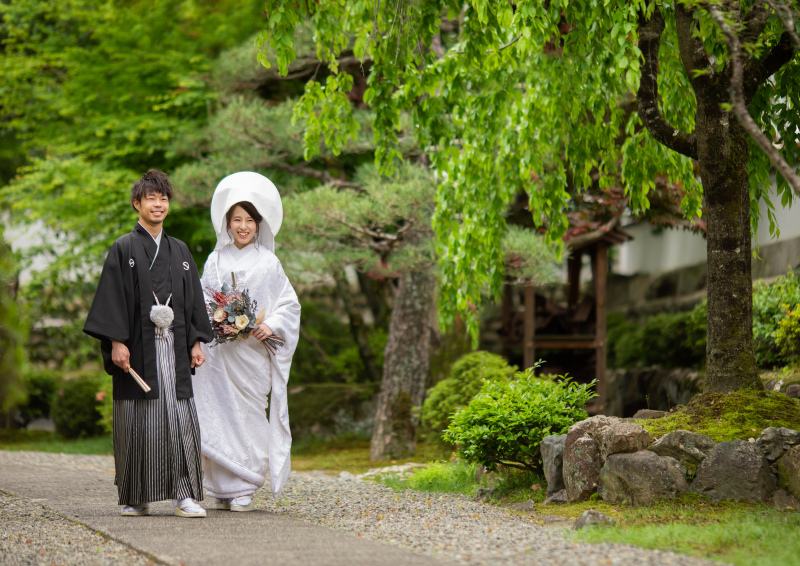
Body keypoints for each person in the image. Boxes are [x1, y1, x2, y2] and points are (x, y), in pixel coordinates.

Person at [83, 169, 213, 518]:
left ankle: (184, 495)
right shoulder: (123, 248)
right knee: (137, 420)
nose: (159, 204)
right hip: (137, 348)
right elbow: (111, 299)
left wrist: (197, 342)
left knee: (180, 416)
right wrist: (115, 342)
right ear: (136, 203)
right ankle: (135, 496)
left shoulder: (180, 250)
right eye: (151, 198)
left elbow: (192, 302)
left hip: (174, 346)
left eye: (164, 198)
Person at [193, 171, 300, 511]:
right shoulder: (214, 260)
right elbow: (203, 300)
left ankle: (246, 485)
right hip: (220, 355)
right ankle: (224, 488)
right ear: (227, 223)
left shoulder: (269, 263)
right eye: (236, 219)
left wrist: (273, 325)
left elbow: (289, 304)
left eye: (249, 220)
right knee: (219, 412)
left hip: (252, 356)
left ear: (258, 225)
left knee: (249, 414)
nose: (243, 226)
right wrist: (217, 322)